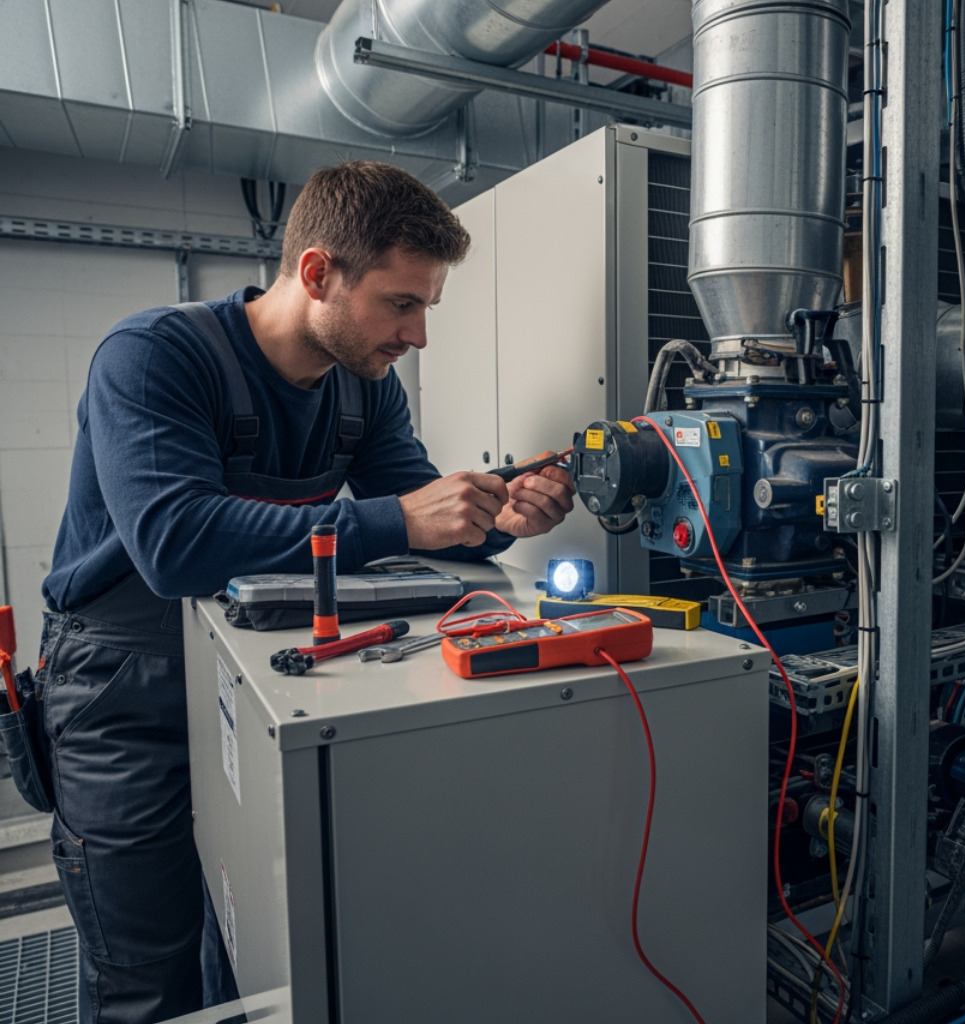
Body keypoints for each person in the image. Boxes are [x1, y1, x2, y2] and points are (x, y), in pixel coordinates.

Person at [36, 161, 575, 1023]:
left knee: (245, 953)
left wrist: (502, 517)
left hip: (251, 685)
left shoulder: (364, 391)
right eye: (402, 304)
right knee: (148, 977)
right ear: (317, 272)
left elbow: (420, 509)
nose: (419, 334)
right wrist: (400, 519)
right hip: (122, 695)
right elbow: (177, 546)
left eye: (427, 307)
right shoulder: (152, 358)